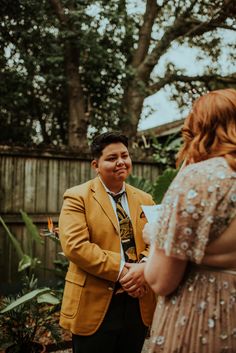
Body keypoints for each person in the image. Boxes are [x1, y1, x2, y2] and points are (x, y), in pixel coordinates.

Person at [143, 88, 236, 353]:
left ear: (199, 128)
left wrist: (154, 234)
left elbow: (161, 280)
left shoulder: (200, 179)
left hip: (203, 318)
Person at [58, 131, 156, 353]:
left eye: (125, 155)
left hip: (137, 302)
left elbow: (157, 240)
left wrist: (143, 267)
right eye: (112, 158)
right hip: (93, 303)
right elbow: (76, 246)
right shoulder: (77, 197)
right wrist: (123, 271)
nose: (121, 162)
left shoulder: (145, 199)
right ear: (96, 164)